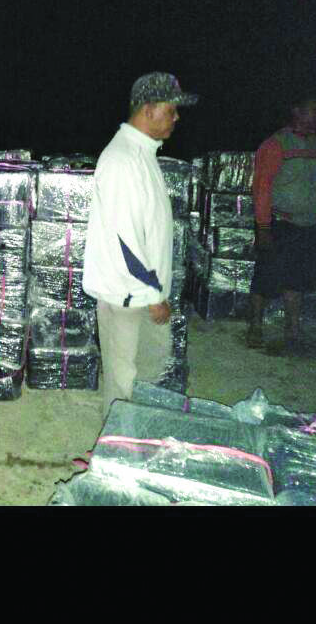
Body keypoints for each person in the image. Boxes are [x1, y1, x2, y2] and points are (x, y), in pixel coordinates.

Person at [82, 72, 199, 422]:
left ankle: (133, 439)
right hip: (128, 295)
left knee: (146, 374)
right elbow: (126, 242)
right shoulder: (122, 160)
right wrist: (153, 296)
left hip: (144, 293)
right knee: (122, 382)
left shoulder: (142, 154)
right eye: (171, 110)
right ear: (149, 110)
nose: (176, 118)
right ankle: (115, 445)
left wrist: (156, 292)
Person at [246, 95, 316, 352]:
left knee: (298, 279)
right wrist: (263, 227)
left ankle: (292, 329)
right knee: (266, 277)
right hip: (281, 223)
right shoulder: (276, 144)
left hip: (311, 225)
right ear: (296, 111)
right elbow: (262, 187)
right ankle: (255, 326)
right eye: (313, 110)